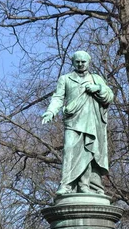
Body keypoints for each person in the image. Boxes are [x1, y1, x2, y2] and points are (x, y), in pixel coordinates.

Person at [42, 51, 114, 195]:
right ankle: (66, 185)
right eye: (78, 62)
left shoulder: (96, 78)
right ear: (73, 62)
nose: (80, 64)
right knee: (69, 150)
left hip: (91, 122)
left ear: (89, 62)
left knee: (88, 151)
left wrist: (98, 88)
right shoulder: (65, 79)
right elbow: (58, 97)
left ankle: (85, 185)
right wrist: (51, 111)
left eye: (83, 62)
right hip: (73, 120)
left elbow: (109, 96)